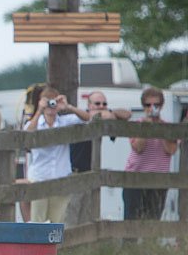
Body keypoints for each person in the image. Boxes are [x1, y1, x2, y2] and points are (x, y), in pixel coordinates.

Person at [23, 85, 90, 223]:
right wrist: (39, 110)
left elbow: (87, 118)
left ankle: (55, 246)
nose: (51, 105)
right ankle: (37, 245)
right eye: (47, 101)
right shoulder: (35, 123)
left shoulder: (65, 121)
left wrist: (68, 106)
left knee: (57, 222)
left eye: (53, 102)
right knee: (37, 221)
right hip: (39, 178)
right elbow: (27, 135)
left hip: (61, 178)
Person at [123, 86, 178, 220]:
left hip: (158, 180)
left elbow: (170, 150)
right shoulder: (137, 125)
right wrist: (146, 128)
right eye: (148, 105)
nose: (152, 108)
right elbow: (138, 148)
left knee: (153, 221)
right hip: (135, 179)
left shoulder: (169, 127)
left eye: (156, 105)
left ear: (162, 106)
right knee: (131, 222)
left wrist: (160, 129)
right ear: (143, 106)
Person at [69, 90, 132, 173]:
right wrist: (108, 114)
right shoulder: (81, 116)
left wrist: (110, 112)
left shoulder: (106, 117)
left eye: (104, 104)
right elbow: (90, 116)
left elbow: (127, 114)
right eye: (97, 103)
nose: (101, 106)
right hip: (74, 169)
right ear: (89, 105)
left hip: (92, 170)